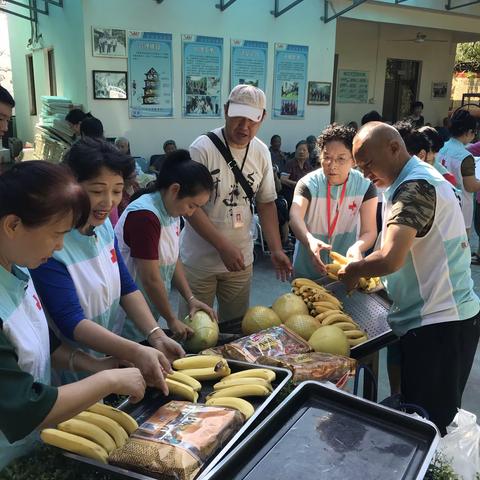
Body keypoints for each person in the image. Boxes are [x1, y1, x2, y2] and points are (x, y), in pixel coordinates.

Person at [0, 161, 148, 470]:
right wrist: (108, 379)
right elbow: (24, 406)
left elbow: (44, 343)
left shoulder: (20, 267)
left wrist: (94, 364)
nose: (59, 247)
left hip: (36, 442)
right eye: (56, 234)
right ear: (12, 225)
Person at [339, 122, 480, 434]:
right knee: (423, 414)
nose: (365, 174)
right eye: (360, 168)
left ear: (393, 147)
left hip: (440, 324)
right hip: (434, 319)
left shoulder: (416, 186)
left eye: (368, 165)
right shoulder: (409, 179)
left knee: (430, 427)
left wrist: (355, 269)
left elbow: (391, 257)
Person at [30, 138, 184, 390]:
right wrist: (135, 351)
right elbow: (71, 322)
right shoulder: (51, 246)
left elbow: (126, 286)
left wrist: (155, 334)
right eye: (97, 191)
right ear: (71, 185)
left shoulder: (102, 230)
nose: (108, 202)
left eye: (117, 190)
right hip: (71, 369)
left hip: (105, 358)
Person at [179, 84, 292, 325]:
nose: (244, 126)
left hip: (241, 259)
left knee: (235, 328)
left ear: (262, 118)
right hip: (200, 261)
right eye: (238, 117)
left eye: (252, 119)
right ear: (226, 110)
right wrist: (222, 246)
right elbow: (189, 208)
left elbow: (267, 203)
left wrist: (276, 248)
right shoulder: (202, 148)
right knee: (194, 330)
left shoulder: (261, 152)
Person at [115, 150, 217, 342]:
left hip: (148, 310)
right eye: (192, 205)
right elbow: (150, 278)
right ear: (174, 190)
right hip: (128, 315)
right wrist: (171, 319)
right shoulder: (145, 216)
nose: (192, 213)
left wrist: (191, 299)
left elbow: (172, 258)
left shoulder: (172, 212)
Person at [289, 124, 377, 279]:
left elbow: (369, 231)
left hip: (345, 268)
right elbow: (295, 217)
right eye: (327, 157)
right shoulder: (308, 184)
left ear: (354, 160)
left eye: (341, 159)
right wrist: (310, 241)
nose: (332, 165)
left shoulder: (365, 186)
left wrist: (357, 248)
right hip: (307, 267)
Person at [436, 109, 480, 235]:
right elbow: (471, 186)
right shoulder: (466, 156)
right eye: (474, 132)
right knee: (459, 248)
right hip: (460, 207)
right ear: (468, 132)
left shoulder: (441, 147)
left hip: (442, 203)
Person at [281, 140, 313, 207]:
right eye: (299, 149)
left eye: (304, 150)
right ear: (295, 151)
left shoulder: (308, 165)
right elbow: (283, 179)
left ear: (308, 154)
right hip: (291, 192)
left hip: (304, 193)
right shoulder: (290, 163)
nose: (301, 152)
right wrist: (297, 184)